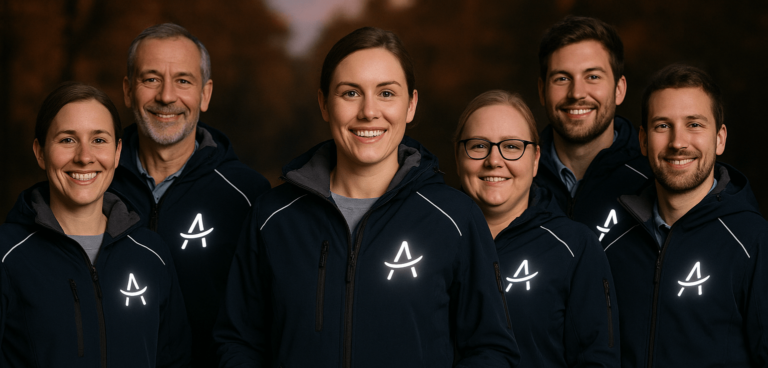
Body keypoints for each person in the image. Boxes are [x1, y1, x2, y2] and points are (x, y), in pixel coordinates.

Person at [214, 27, 519, 367]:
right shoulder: (272, 217)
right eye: (350, 93)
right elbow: (238, 342)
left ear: (411, 105)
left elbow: (492, 350)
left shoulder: (455, 218)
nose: (369, 111)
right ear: (324, 104)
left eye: (386, 93)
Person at [109, 23, 271, 368]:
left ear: (205, 94)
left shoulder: (249, 196)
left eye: (183, 81)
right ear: (127, 90)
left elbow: (263, 323)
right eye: (151, 79)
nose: (166, 96)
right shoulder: (91, 183)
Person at [0, 82, 190, 367]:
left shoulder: (152, 253)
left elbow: (175, 361)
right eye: (67, 140)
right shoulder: (7, 255)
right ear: (40, 152)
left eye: (99, 140)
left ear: (117, 152)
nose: (84, 157)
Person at [605, 64, 768, 367]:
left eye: (694, 124)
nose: (678, 142)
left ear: (719, 138)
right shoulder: (612, 241)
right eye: (662, 126)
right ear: (643, 140)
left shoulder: (755, 242)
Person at [455, 90, 619, 367]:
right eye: (479, 145)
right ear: (458, 156)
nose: (494, 160)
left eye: (511, 146)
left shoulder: (575, 247)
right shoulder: (433, 239)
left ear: (535, 160)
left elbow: (597, 360)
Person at [535, 16, 652, 245]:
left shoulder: (653, 177)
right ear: (542, 91)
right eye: (562, 78)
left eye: (593, 77)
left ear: (619, 89)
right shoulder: (514, 176)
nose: (577, 93)